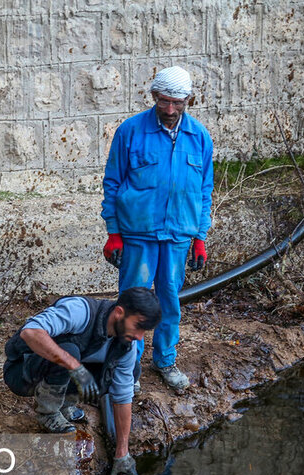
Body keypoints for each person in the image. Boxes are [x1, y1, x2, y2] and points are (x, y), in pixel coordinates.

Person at [101, 65, 214, 391]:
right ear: (153, 96)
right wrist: (114, 232)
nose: (169, 109)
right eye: (163, 101)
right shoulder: (131, 132)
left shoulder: (199, 137)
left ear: (188, 100)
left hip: (179, 235)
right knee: (132, 303)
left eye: (177, 102)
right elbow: (112, 182)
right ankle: (126, 368)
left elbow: (204, 190)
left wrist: (200, 237)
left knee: (169, 301)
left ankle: (165, 360)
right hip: (138, 233)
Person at [3, 287, 161, 475]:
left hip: (61, 372)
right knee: (69, 351)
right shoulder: (80, 311)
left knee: (131, 370)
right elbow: (30, 333)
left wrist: (122, 453)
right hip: (23, 371)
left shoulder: (125, 344)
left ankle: (65, 404)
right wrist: (74, 366)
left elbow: (122, 396)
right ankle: (48, 412)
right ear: (119, 312)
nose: (139, 336)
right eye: (138, 326)